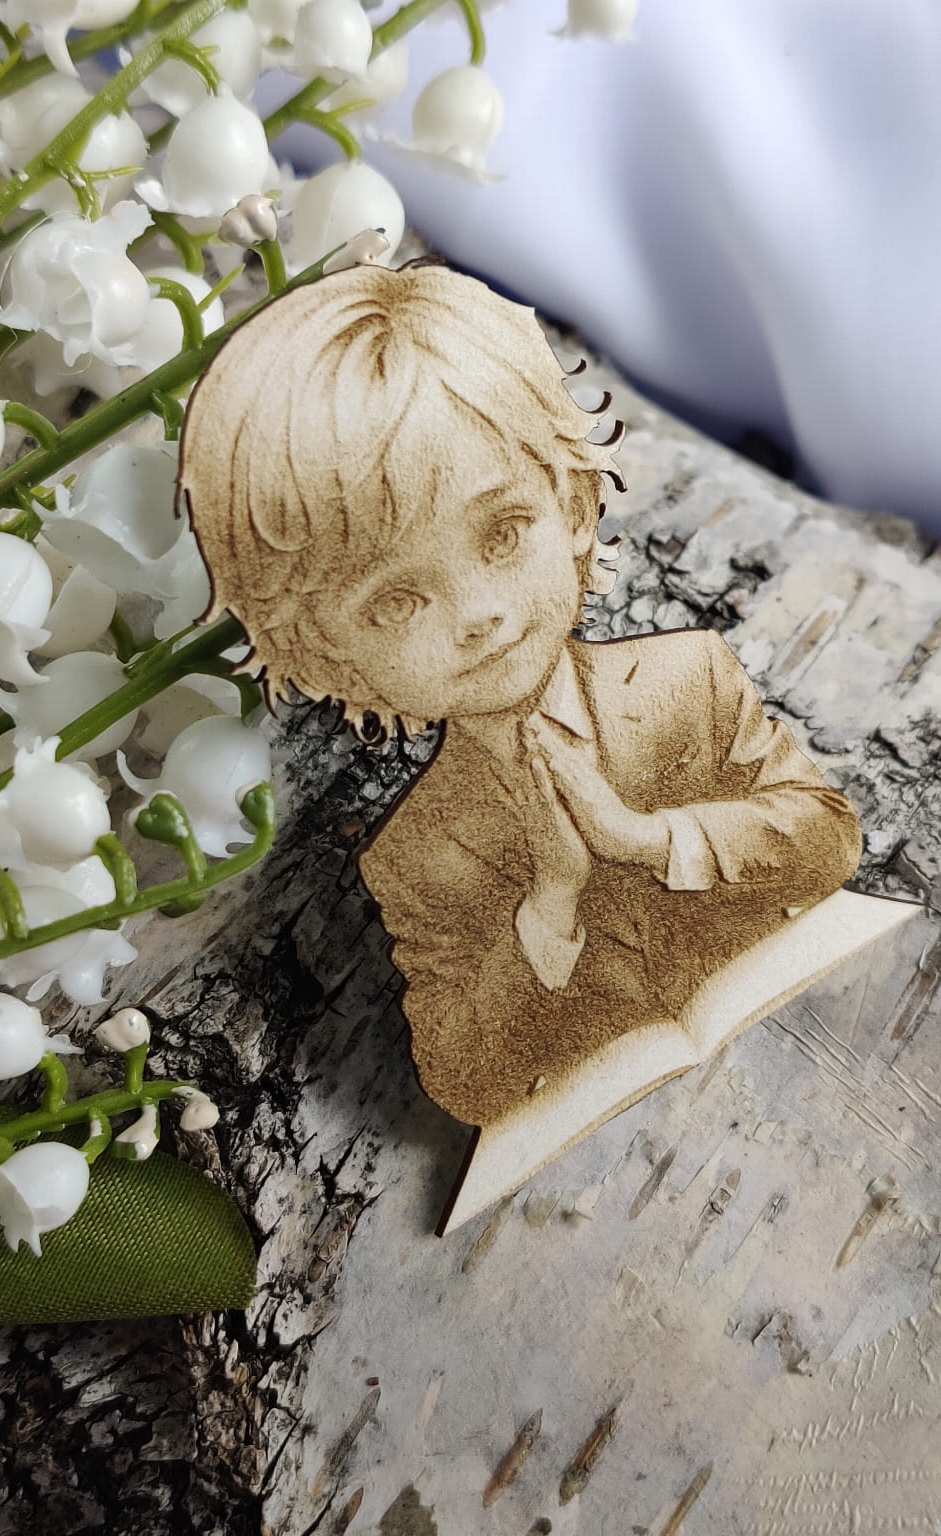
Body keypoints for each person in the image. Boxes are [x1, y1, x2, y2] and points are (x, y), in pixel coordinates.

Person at [178, 261, 863, 1127]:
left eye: (501, 534)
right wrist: (549, 901)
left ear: (572, 502)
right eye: (397, 601)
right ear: (324, 656)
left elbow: (829, 837)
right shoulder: (412, 856)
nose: (477, 614)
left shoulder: (689, 679)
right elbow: (463, 1078)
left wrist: (649, 839)